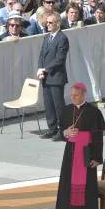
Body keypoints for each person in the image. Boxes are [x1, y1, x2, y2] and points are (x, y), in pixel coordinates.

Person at [51, 83, 105, 209]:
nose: (73, 98)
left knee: (86, 187)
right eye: (72, 95)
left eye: (76, 96)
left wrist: (97, 158)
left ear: (84, 94)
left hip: (86, 154)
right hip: (70, 154)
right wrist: (65, 133)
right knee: (67, 185)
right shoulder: (67, 110)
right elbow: (61, 132)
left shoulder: (93, 112)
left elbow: (98, 138)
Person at [37, 12, 69, 142]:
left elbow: (60, 59)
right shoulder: (46, 37)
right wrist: (40, 69)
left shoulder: (62, 38)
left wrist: (46, 69)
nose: (47, 25)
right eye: (47, 23)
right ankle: (52, 128)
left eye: (50, 23)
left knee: (58, 105)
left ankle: (62, 130)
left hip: (56, 77)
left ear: (58, 23)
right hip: (45, 77)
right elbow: (42, 55)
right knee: (49, 105)